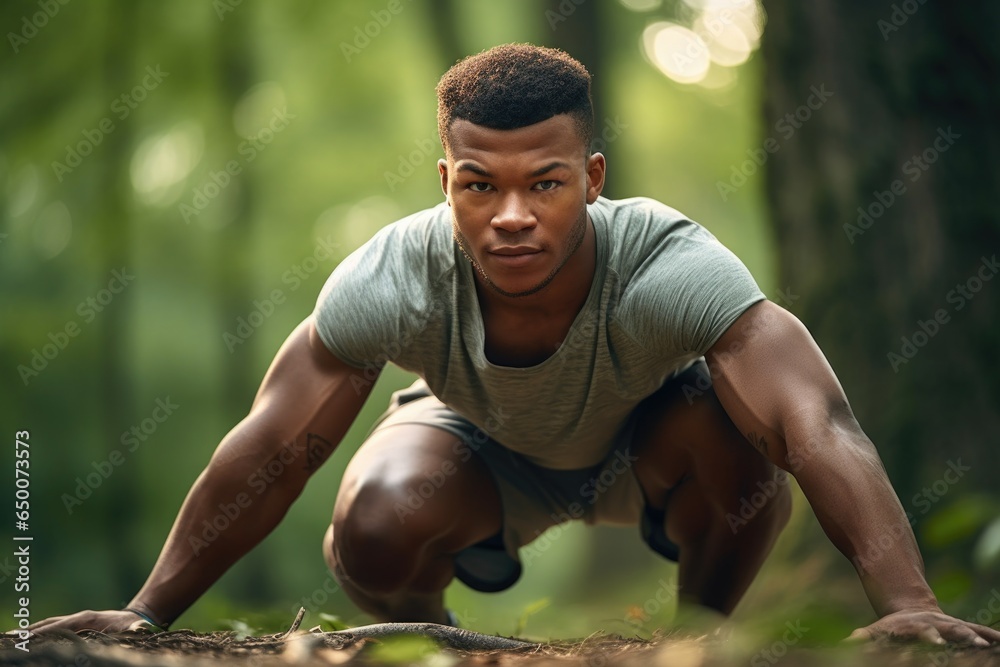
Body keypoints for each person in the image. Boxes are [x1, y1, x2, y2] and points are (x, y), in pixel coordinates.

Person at [27, 43, 1000, 646]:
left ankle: (696, 639)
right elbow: (274, 442)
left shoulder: (668, 262)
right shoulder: (392, 275)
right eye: (478, 186)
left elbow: (815, 422)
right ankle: (447, 644)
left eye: (545, 182)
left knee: (738, 440)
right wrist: (148, 610)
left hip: (648, 443)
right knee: (374, 514)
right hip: (476, 446)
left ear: (593, 175)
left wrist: (907, 599)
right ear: (444, 177)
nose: (510, 217)